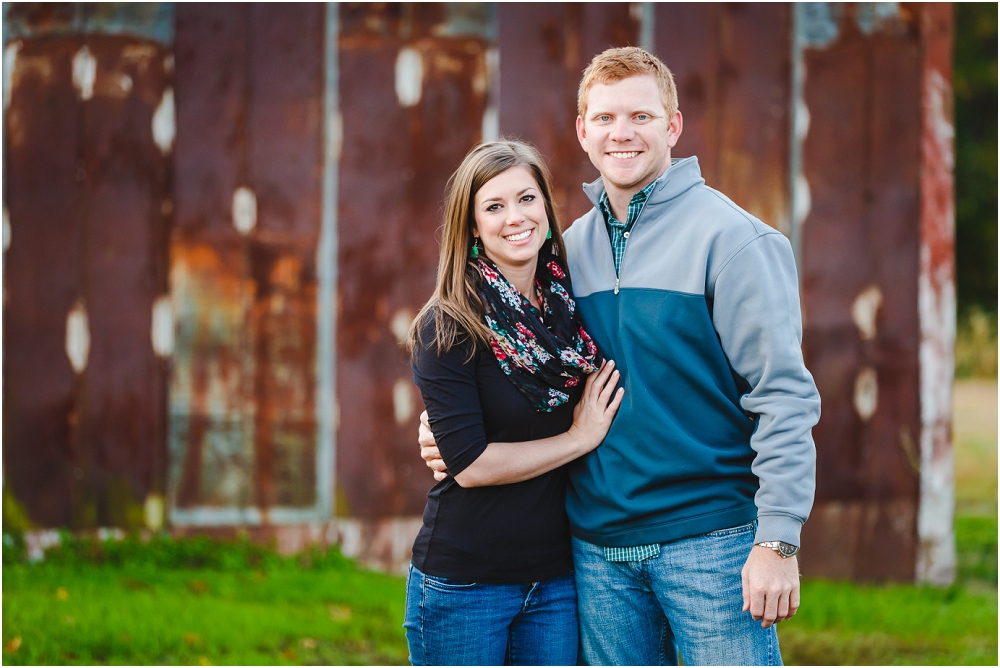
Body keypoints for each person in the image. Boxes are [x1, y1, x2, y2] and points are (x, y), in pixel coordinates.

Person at [419, 47, 821, 666]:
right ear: (583, 131)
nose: (622, 133)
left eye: (641, 115)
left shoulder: (736, 242)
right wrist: (446, 429)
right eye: (604, 118)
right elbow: (523, 368)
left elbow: (784, 397)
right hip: (597, 550)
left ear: (674, 126)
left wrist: (779, 539)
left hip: (708, 540)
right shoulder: (563, 254)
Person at [403, 139, 625, 666]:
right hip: (466, 584)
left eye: (527, 199)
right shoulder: (450, 326)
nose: (515, 218)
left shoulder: (571, 307)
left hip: (556, 579)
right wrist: (578, 438)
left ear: (547, 208)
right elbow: (472, 466)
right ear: (473, 228)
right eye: (494, 207)